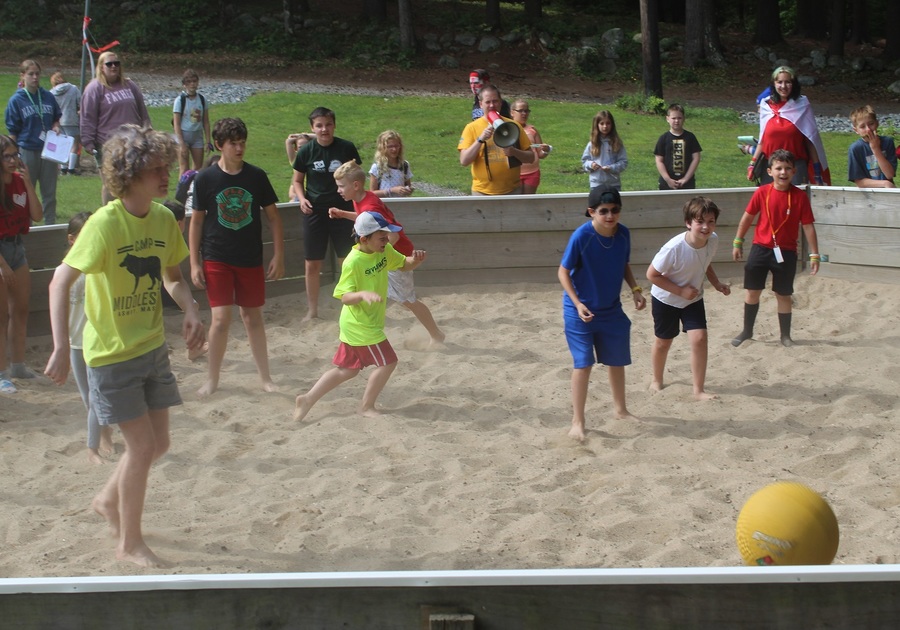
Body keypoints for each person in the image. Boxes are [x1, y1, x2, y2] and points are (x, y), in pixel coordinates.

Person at [44, 124, 206, 568]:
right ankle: (128, 542)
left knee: (161, 444)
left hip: (151, 347)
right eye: (155, 168)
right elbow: (60, 281)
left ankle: (107, 500)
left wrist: (190, 310)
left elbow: (171, 278)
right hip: (111, 355)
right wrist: (61, 346)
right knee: (139, 446)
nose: (164, 175)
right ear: (128, 174)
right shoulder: (103, 224)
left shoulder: (160, 218)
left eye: (165, 167)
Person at [293, 211, 427, 422]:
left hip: (363, 323)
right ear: (364, 239)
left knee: (346, 371)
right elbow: (344, 296)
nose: (387, 240)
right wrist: (362, 294)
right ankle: (366, 406)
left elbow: (404, 264)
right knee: (388, 362)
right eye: (382, 237)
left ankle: (307, 399)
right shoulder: (353, 262)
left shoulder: (384, 251)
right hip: (360, 324)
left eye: (386, 236)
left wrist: (416, 260)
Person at [189, 117, 284, 397]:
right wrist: (194, 262)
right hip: (216, 256)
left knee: (252, 317)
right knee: (220, 320)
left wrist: (279, 254)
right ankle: (213, 379)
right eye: (233, 144)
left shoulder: (256, 176)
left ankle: (265, 377)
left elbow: (274, 218)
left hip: (250, 257)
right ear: (220, 145)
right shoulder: (205, 178)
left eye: (242, 143)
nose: (240, 148)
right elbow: (196, 222)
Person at [558, 186, 646, 442]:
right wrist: (577, 303)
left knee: (617, 361)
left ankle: (620, 410)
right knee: (583, 364)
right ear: (592, 212)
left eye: (615, 210)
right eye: (604, 211)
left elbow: (624, 264)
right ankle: (578, 421)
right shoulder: (582, 236)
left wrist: (636, 289)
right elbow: (563, 272)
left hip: (611, 308)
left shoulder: (623, 234)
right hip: (580, 310)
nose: (610, 215)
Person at [329, 160, 445, 346]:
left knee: (409, 300)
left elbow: (394, 234)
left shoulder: (370, 206)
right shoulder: (363, 198)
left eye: (342, 186)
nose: (339, 190)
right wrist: (343, 214)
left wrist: (379, 256)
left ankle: (436, 334)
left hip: (396, 253)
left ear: (356, 185)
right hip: (386, 253)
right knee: (398, 299)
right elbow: (365, 220)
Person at [732, 149, 819, 348]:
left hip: (786, 252)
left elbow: (808, 226)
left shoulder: (799, 197)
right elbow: (747, 217)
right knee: (752, 291)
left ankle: (785, 336)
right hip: (760, 248)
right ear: (770, 171)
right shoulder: (762, 192)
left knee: (783, 294)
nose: (783, 172)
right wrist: (738, 241)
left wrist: (814, 254)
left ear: (794, 171)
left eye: (787, 168)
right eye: (778, 168)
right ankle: (747, 331)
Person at [647, 197, 731, 401]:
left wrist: (717, 283)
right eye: (700, 221)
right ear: (688, 222)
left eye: (711, 221)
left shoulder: (713, 240)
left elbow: (705, 262)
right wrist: (680, 291)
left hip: (693, 298)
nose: (705, 227)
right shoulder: (673, 248)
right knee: (663, 342)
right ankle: (656, 379)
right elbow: (652, 275)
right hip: (666, 299)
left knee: (699, 338)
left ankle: (698, 390)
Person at [291, 106, 361, 321]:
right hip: (315, 211)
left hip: (343, 210)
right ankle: (312, 310)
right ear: (312, 128)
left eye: (328, 124)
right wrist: (302, 199)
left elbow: (357, 177)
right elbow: (297, 180)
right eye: (319, 125)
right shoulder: (306, 151)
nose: (324, 129)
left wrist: (356, 203)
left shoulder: (346, 148)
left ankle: (353, 307)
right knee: (312, 263)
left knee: (347, 260)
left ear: (334, 125)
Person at [64, 212, 116, 464]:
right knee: (88, 398)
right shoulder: (66, 271)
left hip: (98, 342)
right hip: (74, 342)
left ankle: (93, 447)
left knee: (97, 397)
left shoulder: (102, 264)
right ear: (72, 239)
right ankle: (104, 431)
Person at [0, 134, 43, 394]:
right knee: (1, 315)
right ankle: (1, 372)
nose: (14, 160)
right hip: (1, 251)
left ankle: (18, 365)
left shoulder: (19, 182)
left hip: (17, 247)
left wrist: (28, 184)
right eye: (7, 156)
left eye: (15, 155)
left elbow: (37, 215)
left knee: (21, 309)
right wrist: (2, 264)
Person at [80, 51, 151, 203]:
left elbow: (142, 112)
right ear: (101, 67)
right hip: (108, 145)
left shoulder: (130, 85)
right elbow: (87, 117)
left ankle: (131, 212)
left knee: (133, 181)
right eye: (109, 64)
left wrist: (148, 131)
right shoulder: (94, 89)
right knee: (111, 183)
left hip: (133, 143)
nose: (114, 66)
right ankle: (110, 214)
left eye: (116, 63)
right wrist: (88, 141)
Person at [748, 66, 829, 187]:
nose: (783, 86)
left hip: (795, 167)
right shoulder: (766, 106)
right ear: (774, 84)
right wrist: (752, 164)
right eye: (779, 82)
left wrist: (817, 172)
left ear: (794, 84)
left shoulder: (802, 105)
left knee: (795, 203)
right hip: (769, 167)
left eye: (788, 82)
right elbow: (762, 141)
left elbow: (811, 140)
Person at [4, 59, 61, 224]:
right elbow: (12, 131)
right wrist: (15, 155)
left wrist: (56, 126)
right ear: (22, 76)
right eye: (30, 74)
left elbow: (56, 118)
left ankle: (50, 224)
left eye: (37, 73)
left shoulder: (48, 96)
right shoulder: (17, 100)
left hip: (48, 150)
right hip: (27, 149)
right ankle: (27, 225)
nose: (35, 77)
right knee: (27, 189)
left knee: (49, 191)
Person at [458, 84, 534, 195]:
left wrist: (514, 152)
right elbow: (464, 161)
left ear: (501, 103)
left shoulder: (513, 126)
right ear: (481, 104)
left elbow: (530, 158)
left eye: (495, 101)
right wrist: (480, 139)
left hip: (512, 190)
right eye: (488, 102)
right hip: (482, 192)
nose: (492, 105)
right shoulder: (472, 128)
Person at [172, 69, 212, 174]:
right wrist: (181, 144)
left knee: (198, 169)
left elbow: (206, 122)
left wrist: (208, 141)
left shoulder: (202, 100)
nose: (192, 84)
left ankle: (193, 189)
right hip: (184, 135)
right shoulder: (180, 100)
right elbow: (176, 123)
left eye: (194, 81)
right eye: (189, 82)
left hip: (197, 135)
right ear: (184, 84)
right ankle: (182, 190)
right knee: (184, 169)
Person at [654, 104, 702, 190]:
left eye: (679, 118)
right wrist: (668, 179)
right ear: (667, 119)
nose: (676, 121)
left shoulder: (690, 137)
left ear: (684, 119)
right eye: (673, 118)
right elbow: (659, 160)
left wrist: (685, 179)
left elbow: (696, 158)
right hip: (666, 183)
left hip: (687, 183)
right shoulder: (663, 138)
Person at [847, 105, 896, 188]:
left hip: (888, 193)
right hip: (868, 196)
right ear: (856, 130)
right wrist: (885, 184)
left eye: (871, 124)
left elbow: (889, 174)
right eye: (862, 127)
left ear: (877, 123)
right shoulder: (855, 149)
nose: (868, 129)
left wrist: (876, 149)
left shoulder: (888, 142)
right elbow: (859, 182)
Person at [510, 98, 551, 194]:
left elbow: (540, 154)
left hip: (532, 173)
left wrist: (546, 150)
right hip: (514, 173)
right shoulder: (508, 129)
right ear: (512, 113)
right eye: (520, 111)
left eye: (526, 111)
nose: (524, 114)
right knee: (515, 203)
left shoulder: (532, 130)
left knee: (528, 202)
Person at [581, 110, 627, 192]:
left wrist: (611, 168)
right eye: (602, 123)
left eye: (608, 123)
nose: (605, 126)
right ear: (597, 125)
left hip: (613, 184)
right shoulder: (592, 144)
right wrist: (591, 164)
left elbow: (623, 162)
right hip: (596, 184)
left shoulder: (617, 143)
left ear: (612, 125)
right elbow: (584, 161)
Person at [50, 71, 82, 175]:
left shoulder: (51, 92)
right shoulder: (73, 88)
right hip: (71, 119)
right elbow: (80, 103)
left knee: (63, 145)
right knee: (74, 144)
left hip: (58, 121)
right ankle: (71, 169)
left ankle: (63, 168)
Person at [369, 130, 413, 198]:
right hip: (384, 205)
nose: (394, 149)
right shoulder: (377, 167)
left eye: (396, 146)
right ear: (383, 147)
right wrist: (391, 190)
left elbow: (408, 186)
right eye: (390, 146)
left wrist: (408, 190)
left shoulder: (404, 165)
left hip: (401, 205)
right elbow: (372, 193)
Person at [285, 132, 313, 200]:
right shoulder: (296, 161)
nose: (304, 149)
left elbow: (321, 138)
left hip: (314, 193)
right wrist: (297, 137)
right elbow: (288, 142)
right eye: (300, 147)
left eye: (306, 146)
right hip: (301, 194)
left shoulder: (315, 159)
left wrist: (305, 135)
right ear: (296, 149)